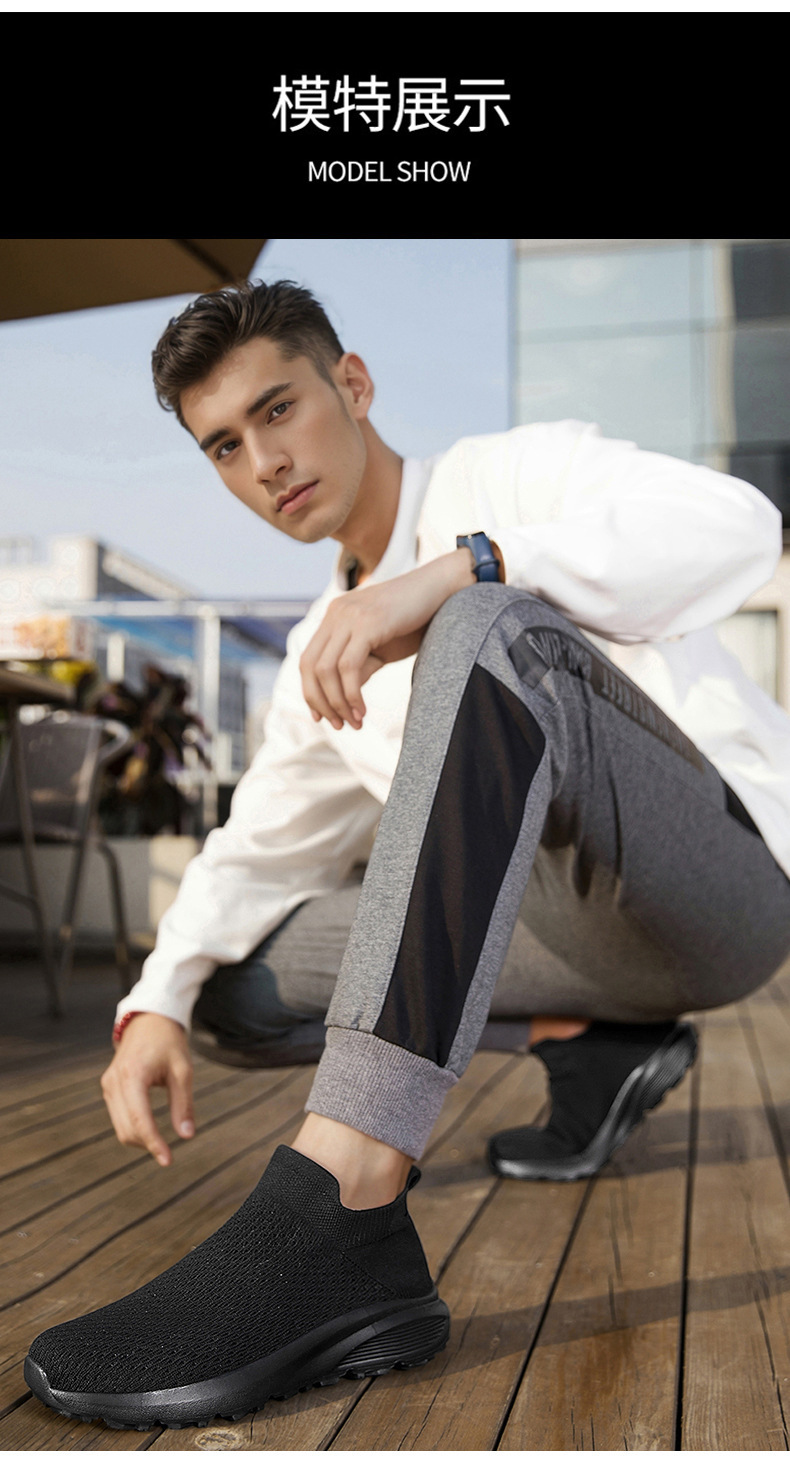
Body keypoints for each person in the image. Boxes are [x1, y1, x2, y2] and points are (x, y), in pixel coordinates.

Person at [25, 279, 790, 1430]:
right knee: (229, 982)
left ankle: (345, 1200)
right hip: (566, 939)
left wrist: (467, 568)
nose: (264, 463)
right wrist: (153, 1004)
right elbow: (255, 850)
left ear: (353, 383)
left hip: (721, 886)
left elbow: (739, 526)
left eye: (278, 409)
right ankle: (593, 1045)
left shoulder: (507, 476)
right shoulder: (320, 652)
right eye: (224, 445)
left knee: (484, 623)